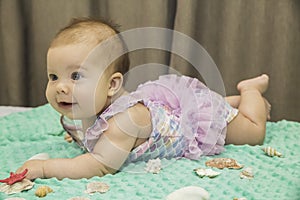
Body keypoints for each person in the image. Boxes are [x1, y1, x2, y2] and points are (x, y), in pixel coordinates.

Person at [16, 18, 271, 180]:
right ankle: (230, 101)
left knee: (252, 131)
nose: (60, 87)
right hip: (168, 109)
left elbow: (100, 165)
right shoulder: (80, 110)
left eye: (75, 76)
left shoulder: (122, 123)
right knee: (217, 104)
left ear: (112, 85)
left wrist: (45, 168)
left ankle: (249, 92)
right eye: (53, 76)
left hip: (191, 125)